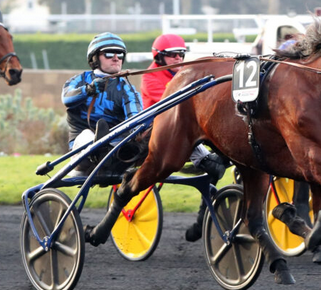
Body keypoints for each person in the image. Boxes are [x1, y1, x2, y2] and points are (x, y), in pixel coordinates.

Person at [142, 33, 226, 242]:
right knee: (214, 166)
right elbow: (174, 104)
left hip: (188, 131)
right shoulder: (151, 77)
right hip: (166, 134)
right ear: (159, 57)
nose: (178, 58)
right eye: (172, 55)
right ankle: (204, 216)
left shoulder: (185, 75)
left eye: (180, 54)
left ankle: (202, 218)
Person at [62, 32, 143, 175]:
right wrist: (89, 89)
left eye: (120, 54)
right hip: (82, 147)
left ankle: (108, 152)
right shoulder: (79, 80)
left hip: (115, 148)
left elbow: (135, 116)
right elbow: (66, 98)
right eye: (109, 54)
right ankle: (99, 150)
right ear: (95, 58)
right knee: (87, 135)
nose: (116, 58)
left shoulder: (126, 88)